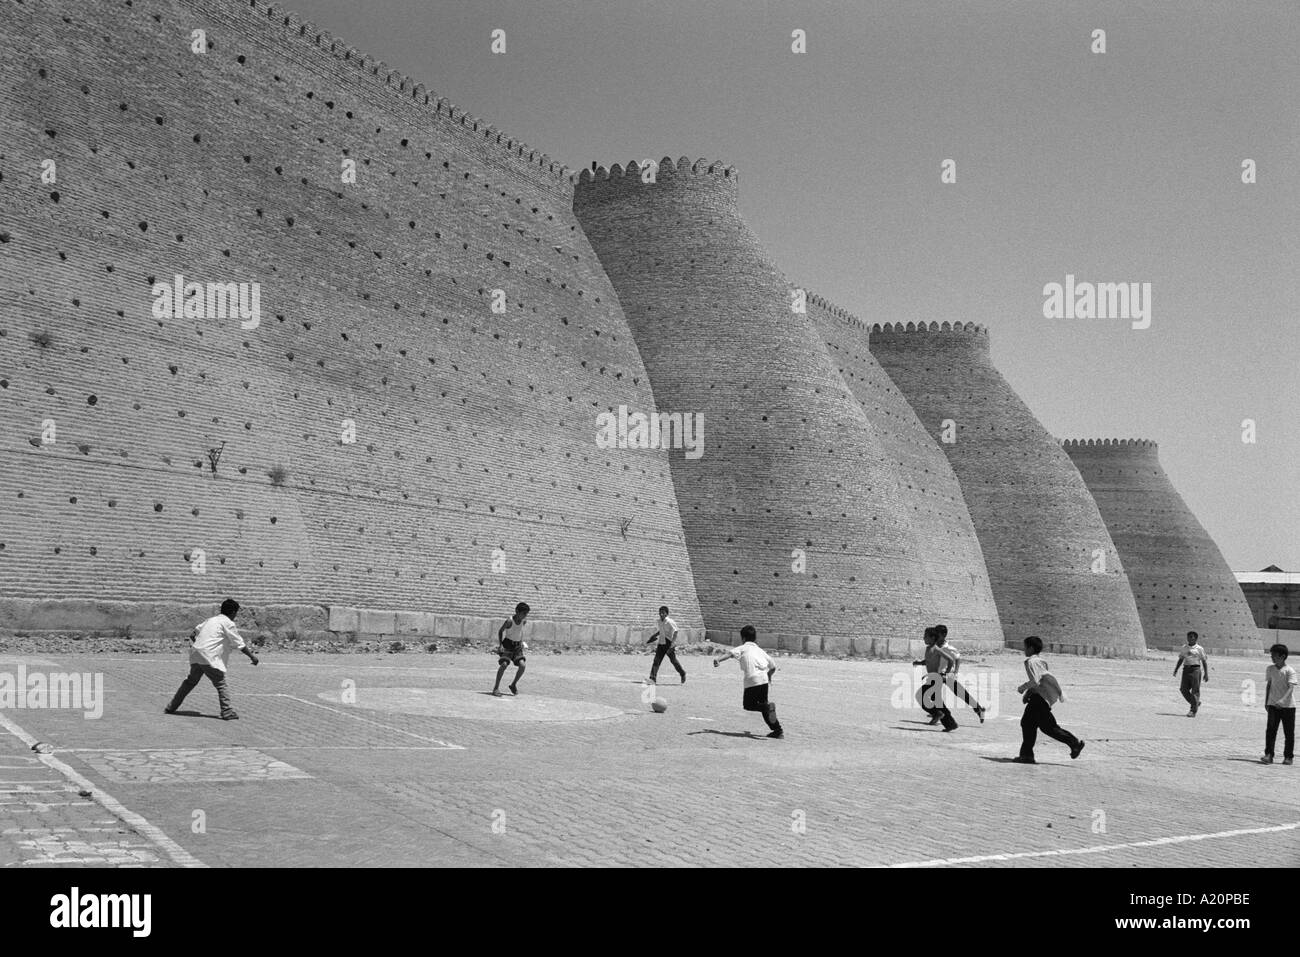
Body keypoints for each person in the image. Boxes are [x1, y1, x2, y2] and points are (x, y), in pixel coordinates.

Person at [165, 598, 258, 720]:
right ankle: (227, 711)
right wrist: (252, 656)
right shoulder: (228, 623)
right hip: (209, 656)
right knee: (220, 683)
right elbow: (239, 643)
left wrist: (201, 646)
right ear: (233, 612)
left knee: (190, 682)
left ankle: (171, 706)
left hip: (196, 653)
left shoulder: (211, 620)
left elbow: (193, 634)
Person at [1013, 635, 1084, 764]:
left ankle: (1074, 743)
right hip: (1039, 698)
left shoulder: (1030, 662)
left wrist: (1023, 688)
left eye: (1025, 647)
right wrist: (1029, 694)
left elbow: (1035, 681)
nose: (1024, 650)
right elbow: (1041, 681)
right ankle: (1026, 755)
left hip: (1039, 700)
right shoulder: (1042, 661)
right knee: (1028, 724)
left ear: (1031, 648)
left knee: (1048, 728)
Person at [713, 625, 784, 738]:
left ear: (743, 638)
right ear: (755, 638)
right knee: (763, 705)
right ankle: (778, 731)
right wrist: (769, 676)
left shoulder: (742, 648)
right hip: (764, 680)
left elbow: (729, 654)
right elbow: (773, 667)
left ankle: (767, 708)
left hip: (752, 680)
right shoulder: (760, 651)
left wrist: (718, 659)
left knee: (749, 705)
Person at [934, 625, 987, 723]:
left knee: (960, 693)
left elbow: (958, 658)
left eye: (938, 634)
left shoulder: (949, 648)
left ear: (944, 635)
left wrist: (955, 672)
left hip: (947, 674)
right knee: (933, 693)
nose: (936, 636)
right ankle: (938, 712)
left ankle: (978, 709)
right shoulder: (935, 646)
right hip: (937, 674)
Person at [912, 627, 957, 731]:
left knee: (920, 696)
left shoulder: (936, 649)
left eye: (925, 637)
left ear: (932, 638)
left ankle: (936, 713)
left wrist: (946, 672)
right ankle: (950, 724)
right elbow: (928, 661)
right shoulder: (928, 649)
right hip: (932, 678)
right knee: (938, 702)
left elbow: (950, 660)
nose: (923, 638)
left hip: (936, 679)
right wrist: (919, 663)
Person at [1261, 643, 1296, 765]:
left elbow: (1291, 688)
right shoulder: (1270, 669)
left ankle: (1288, 757)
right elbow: (1269, 685)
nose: (1272, 657)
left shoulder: (1289, 671)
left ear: (1282, 656)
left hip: (1288, 707)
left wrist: (1282, 700)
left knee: (1289, 732)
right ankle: (1268, 755)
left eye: (1274, 655)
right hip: (1272, 705)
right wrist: (1266, 701)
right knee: (1270, 730)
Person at [492, 602, 530, 697]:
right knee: (504, 664)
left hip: (517, 646)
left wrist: (521, 642)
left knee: (522, 665)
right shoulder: (509, 621)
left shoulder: (523, 621)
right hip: (507, 644)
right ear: (517, 611)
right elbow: (501, 631)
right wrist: (500, 645)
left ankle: (513, 684)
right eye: (523, 613)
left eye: (526, 614)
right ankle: (496, 688)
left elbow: (520, 631)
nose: (525, 616)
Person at [645, 605, 686, 684]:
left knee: (673, 661)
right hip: (661, 642)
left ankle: (682, 673)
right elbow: (661, 631)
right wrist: (654, 635)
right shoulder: (659, 621)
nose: (661, 614)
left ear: (667, 614)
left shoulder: (670, 622)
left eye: (663, 613)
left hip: (668, 643)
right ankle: (652, 678)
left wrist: (672, 644)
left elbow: (676, 631)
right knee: (656, 661)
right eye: (660, 613)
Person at [1173, 630, 1209, 716]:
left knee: (1195, 690)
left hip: (1195, 670)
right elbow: (1181, 659)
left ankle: (1193, 711)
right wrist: (1176, 669)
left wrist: (1206, 673)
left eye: (1192, 637)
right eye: (1189, 637)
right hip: (1186, 670)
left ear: (1196, 639)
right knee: (1183, 689)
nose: (1190, 639)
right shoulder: (1184, 647)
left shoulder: (1199, 649)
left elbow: (1204, 661)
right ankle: (1196, 703)